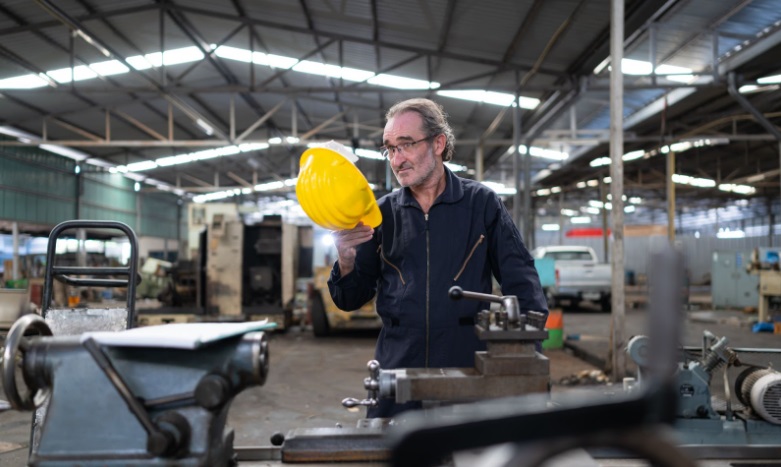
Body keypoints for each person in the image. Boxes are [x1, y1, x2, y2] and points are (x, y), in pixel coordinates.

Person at [327, 98, 548, 418]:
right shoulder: (381, 214)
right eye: (389, 149)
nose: (396, 159)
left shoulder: (481, 204)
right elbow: (351, 298)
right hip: (398, 370)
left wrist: (527, 360)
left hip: (468, 371)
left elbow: (521, 280)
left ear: (438, 143)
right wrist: (346, 260)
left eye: (406, 145)